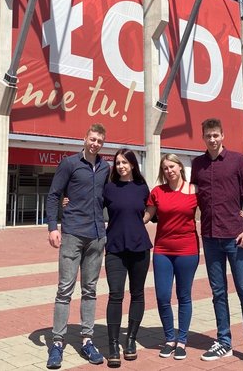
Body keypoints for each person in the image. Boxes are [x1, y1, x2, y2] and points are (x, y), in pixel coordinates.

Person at [191, 118, 243, 371]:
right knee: (218, 293)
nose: (212, 139)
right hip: (210, 237)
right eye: (208, 136)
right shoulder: (197, 165)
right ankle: (223, 341)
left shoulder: (237, 161)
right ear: (203, 137)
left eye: (216, 135)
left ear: (223, 135)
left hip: (236, 239)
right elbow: (192, 198)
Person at [45, 123, 110, 369]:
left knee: (90, 290)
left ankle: (87, 339)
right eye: (92, 139)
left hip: (96, 236)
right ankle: (58, 343)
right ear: (84, 138)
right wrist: (53, 227)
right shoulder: (70, 164)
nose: (95, 143)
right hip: (72, 233)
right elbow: (53, 194)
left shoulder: (106, 168)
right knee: (65, 289)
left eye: (99, 141)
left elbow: (111, 196)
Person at [144, 154, 199, 361]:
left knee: (184, 296)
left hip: (187, 250)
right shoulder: (158, 192)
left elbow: (210, 210)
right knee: (162, 296)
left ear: (180, 167)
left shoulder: (194, 190)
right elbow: (146, 216)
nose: (169, 170)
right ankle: (169, 338)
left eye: (172, 166)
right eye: (165, 168)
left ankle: (182, 340)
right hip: (162, 251)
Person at [102, 149, 152, 367]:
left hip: (140, 248)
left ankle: (130, 339)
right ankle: (113, 344)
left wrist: (145, 218)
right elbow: (92, 206)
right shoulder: (109, 188)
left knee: (138, 294)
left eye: (125, 162)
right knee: (115, 295)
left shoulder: (142, 187)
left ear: (132, 165)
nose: (121, 166)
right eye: (118, 162)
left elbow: (152, 206)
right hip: (114, 249)